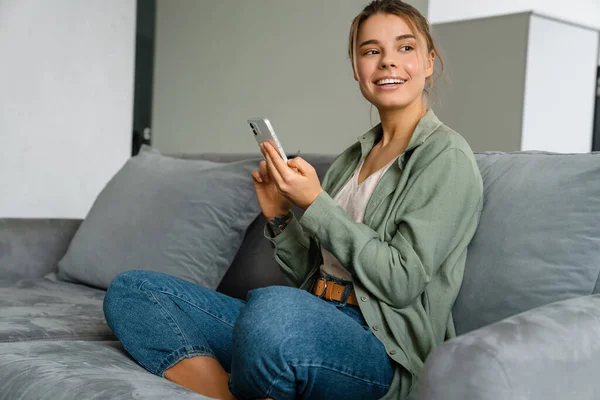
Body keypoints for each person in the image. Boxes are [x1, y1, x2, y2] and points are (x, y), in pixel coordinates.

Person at [103, 1, 483, 399]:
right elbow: (311, 277)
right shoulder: (351, 160)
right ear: (356, 68)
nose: (388, 62)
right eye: (371, 51)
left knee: (273, 313)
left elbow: (401, 282)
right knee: (133, 291)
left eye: (405, 48)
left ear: (429, 63)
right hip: (309, 318)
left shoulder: (445, 157)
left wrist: (317, 203)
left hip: (381, 350)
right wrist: (280, 215)